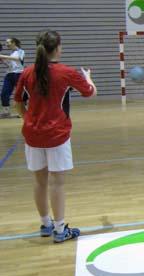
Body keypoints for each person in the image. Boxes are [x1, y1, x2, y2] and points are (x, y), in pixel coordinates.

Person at [13, 30, 97, 243]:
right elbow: (90, 92)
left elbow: (17, 103)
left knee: (39, 181)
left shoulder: (27, 72)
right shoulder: (66, 72)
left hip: (32, 135)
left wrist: (29, 120)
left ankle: (46, 224)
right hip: (57, 135)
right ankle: (60, 230)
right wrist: (88, 78)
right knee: (57, 183)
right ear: (58, 47)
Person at [0, 37, 25, 118]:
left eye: (8, 42)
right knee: (4, 93)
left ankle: (21, 111)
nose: (6, 44)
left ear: (13, 43)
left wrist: (3, 56)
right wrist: (3, 61)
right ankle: (6, 112)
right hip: (9, 74)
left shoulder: (20, 51)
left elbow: (18, 59)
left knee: (19, 94)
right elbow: (9, 65)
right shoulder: (11, 54)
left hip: (18, 74)